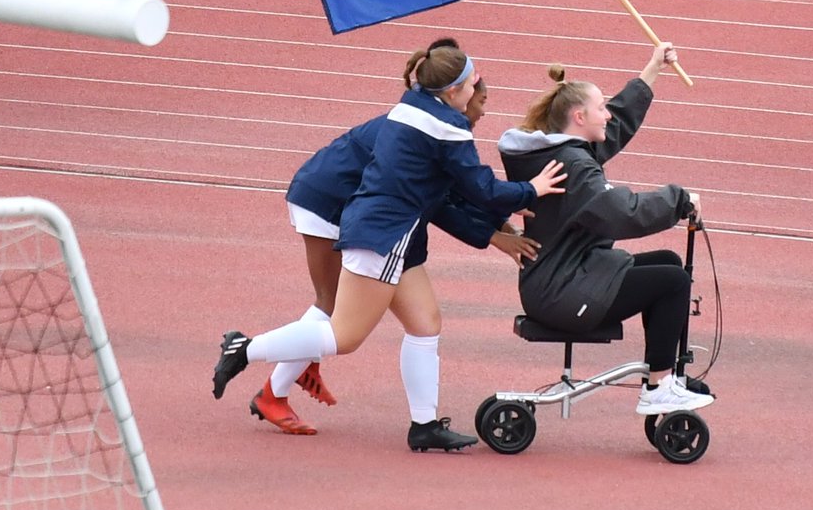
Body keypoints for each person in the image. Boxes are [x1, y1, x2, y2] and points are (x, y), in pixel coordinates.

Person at [213, 41, 566, 451]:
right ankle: (247, 348)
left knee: (424, 322)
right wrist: (530, 190)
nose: (480, 100)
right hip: (378, 230)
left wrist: (496, 226)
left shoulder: (414, 105)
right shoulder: (446, 128)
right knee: (343, 334)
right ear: (453, 92)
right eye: (474, 88)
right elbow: (478, 188)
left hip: (384, 227)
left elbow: (446, 192)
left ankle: (425, 426)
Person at [496, 42, 714, 415]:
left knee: (669, 262)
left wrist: (652, 70)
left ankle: (664, 378)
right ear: (579, 117)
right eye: (601, 109)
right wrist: (679, 200)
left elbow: (617, 123)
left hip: (560, 276)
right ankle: (658, 385)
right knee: (673, 282)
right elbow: (619, 213)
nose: (608, 115)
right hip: (561, 293)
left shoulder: (561, 151)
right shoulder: (575, 166)